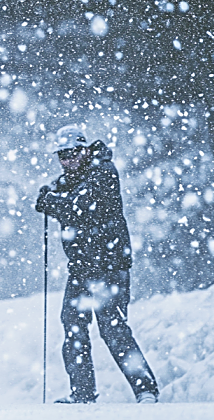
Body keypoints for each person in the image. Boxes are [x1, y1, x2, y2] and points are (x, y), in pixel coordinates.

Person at [35, 125, 159, 404]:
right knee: (73, 326)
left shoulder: (104, 172)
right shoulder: (72, 179)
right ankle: (82, 393)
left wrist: (49, 201)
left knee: (113, 328)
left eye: (72, 153)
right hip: (81, 268)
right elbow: (61, 196)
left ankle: (146, 390)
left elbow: (77, 208)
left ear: (85, 149)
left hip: (109, 266)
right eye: (62, 156)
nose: (67, 160)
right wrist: (49, 194)